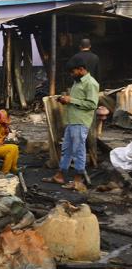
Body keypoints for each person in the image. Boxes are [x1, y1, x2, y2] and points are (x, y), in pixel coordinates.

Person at [45, 55, 100, 190]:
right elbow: (76, 101)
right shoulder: (77, 82)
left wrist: (71, 100)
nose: (71, 74)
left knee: (78, 150)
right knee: (67, 149)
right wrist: (65, 100)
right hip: (72, 121)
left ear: (81, 69)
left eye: (73, 71)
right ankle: (60, 176)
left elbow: (92, 104)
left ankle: (78, 180)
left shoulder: (91, 83)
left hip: (81, 122)